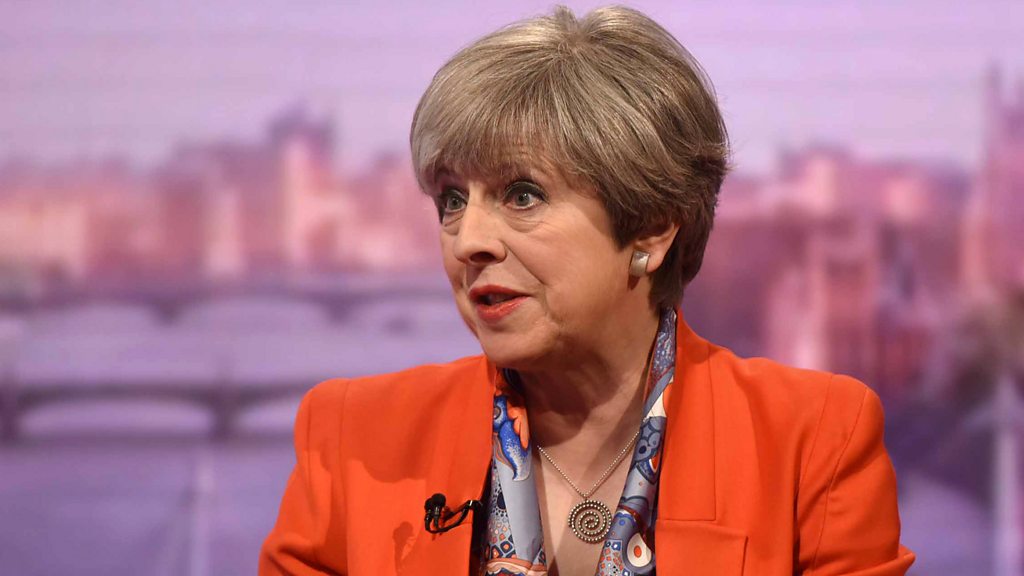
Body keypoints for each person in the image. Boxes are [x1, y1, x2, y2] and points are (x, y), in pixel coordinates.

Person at [260, 5, 916, 575]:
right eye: (452, 200)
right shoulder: (353, 437)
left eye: (522, 195)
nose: (467, 240)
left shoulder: (813, 441)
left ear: (651, 227)